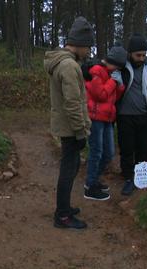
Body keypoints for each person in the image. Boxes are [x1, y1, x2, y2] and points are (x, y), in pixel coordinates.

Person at [43, 16, 94, 229]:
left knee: (71, 167)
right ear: (80, 43)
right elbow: (73, 104)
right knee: (68, 169)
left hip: (66, 126)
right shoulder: (68, 66)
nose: (89, 52)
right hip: (71, 128)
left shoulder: (66, 63)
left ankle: (64, 207)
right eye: (88, 47)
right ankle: (62, 215)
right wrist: (81, 132)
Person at [116, 33, 147, 196]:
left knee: (143, 149)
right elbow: (102, 66)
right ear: (130, 53)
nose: (141, 58)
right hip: (124, 116)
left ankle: (141, 178)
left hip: (144, 116)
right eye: (138, 55)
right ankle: (128, 177)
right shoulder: (121, 65)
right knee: (127, 148)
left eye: (144, 55)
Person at [83, 45, 128, 201]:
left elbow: (112, 98)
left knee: (109, 152)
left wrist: (120, 85)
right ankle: (90, 186)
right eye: (118, 66)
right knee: (96, 151)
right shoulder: (96, 71)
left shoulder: (109, 74)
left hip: (108, 118)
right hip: (95, 118)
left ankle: (94, 179)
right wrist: (112, 82)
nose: (118, 70)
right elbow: (100, 95)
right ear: (113, 62)